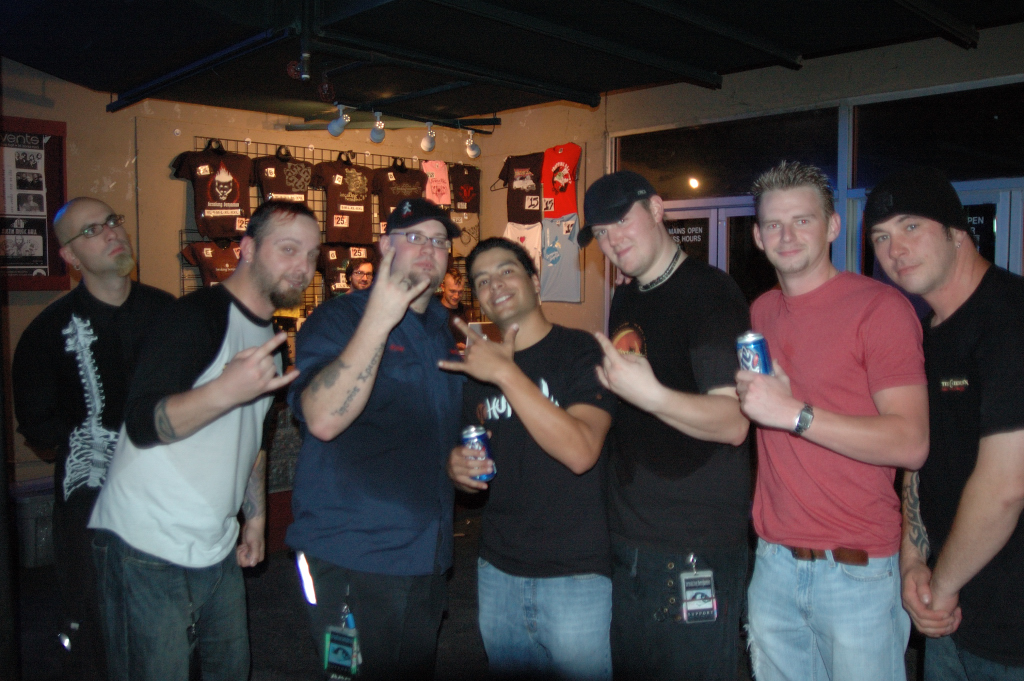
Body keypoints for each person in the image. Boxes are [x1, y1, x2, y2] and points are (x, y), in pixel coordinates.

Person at [88, 200, 320, 681]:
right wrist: (224, 391)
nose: (303, 266)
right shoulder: (195, 317)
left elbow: (251, 437)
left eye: (312, 254)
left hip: (216, 543)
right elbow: (142, 423)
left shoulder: (269, 340)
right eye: (288, 249)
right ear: (248, 249)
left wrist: (255, 518)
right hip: (146, 544)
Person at [735, 161, 929, 681]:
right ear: (758, 237)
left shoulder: (880, 308)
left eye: (803, 220)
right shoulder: (760, 313)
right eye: (773, 224)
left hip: (857, 570)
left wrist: (794, 414)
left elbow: (911, 442)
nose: (787, 236)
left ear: (833, 226)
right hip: (773, 565)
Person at [579, 171, 751, 680]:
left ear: (656, 210)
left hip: (693, 543)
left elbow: (734, 421)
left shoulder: (709, 293)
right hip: (632, 537)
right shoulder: (627, 296)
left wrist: (653, 395)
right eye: (601, 233)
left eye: (621, 222)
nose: (612, 241)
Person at [286, 197, 463, 680]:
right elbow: (322, 418)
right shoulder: (339, 319)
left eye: (440, 241)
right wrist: (381, 319)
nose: (429, 249)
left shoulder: (442, 330)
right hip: (351, 554)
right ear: (385, 246)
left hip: (426, 556)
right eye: (414, 237)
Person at [866, 167, 1024, 679]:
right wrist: (913, 560)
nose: (895, 249)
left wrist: (941, 584)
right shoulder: (925, 335)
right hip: (952, 618)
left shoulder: (1011, 317)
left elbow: (1007, 486)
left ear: (958, 233)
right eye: (881, 237)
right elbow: (920, 456)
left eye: (911, 227)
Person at [12, 198, 174, 681]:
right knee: (95, 620)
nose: (111, 233)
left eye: (112, 221)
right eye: (91, 230)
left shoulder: (170, 313)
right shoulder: (45, 334)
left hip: (167, 492)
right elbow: (40, 432)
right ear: (69, 256)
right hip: (90, 504)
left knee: (168, 616)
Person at [443, 238, 615, 680]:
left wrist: (505, 372)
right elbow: (474, 471)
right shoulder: (477, 374)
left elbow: (581, 451)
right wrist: (458, 470)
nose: (495, 285)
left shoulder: (580, 351)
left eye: (506, 271)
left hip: (575, 574)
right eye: (482, 280)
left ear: (535, 281)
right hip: (498, 569)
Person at [439, 266, 469, 348]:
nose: (456, 296)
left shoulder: (468, 313)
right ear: (443, 287)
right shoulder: (432, 313)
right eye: (452, 291)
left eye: (460, 292)